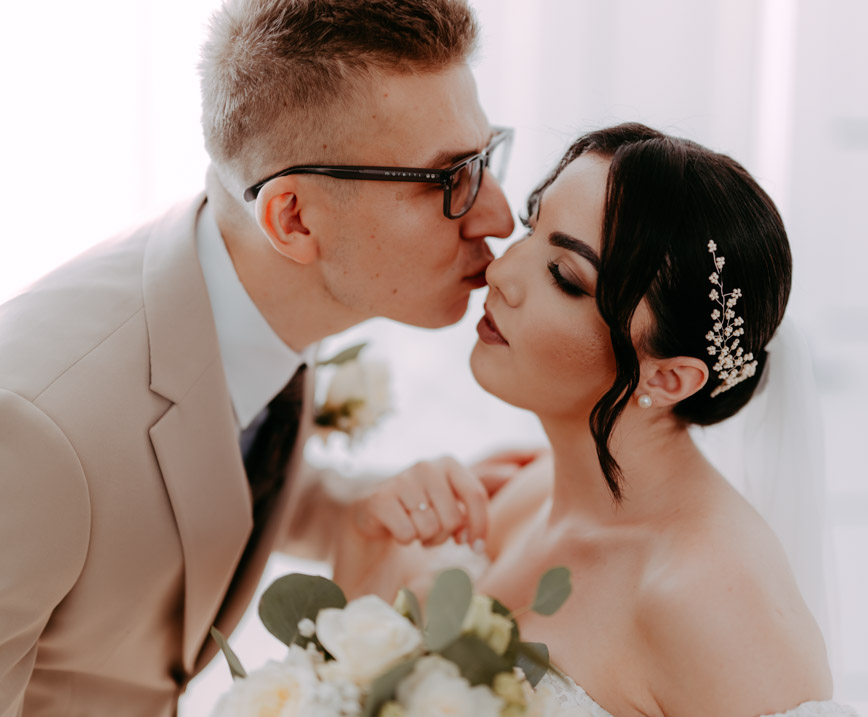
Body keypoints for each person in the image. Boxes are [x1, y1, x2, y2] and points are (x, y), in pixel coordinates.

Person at [0, 1, 517, 715]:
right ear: (293, 218)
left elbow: (196, 467)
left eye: (484, 159)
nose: (499, 215)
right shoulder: (34, 433)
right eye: (449, 179)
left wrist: (355, 506)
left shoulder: (257, 281)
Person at [333, 124, 860, 716]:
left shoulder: (712, 600)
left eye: (565, 277)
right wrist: (366, 539)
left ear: (667, 378)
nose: (501, 273)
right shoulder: (523, 490)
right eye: (531, 227)